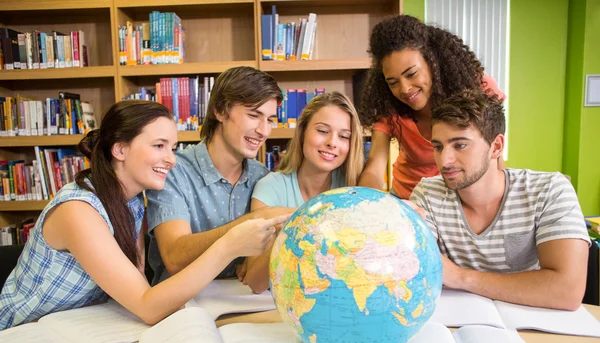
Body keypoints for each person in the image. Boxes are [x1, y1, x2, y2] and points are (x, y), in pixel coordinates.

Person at [0, 100, 288, 330]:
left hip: (79, 328)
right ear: (120, 149)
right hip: (23, 334)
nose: (172, 159)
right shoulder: (78, 210)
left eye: (173, 148)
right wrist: (229, 246)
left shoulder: (134, 201)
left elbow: (137, 286)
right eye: (159, 146)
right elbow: (147, 305)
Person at [410, 89, 589, 311]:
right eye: (438, 147)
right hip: (457, 322)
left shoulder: (549, 190)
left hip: (534, 325)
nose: (444, 160)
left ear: (496, 147)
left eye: (460, 145)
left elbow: (567, 291)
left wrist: (460, 277)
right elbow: (415, 273)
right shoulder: (427, 193)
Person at [146, 66, 293, 284]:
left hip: (239, 302)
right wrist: (251, 222)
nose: (264, 131)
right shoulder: (173, 171)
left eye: (270, 120)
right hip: (183, 305)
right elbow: (174, 257)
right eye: (254, 115)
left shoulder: (263, 177)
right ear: (220, 111)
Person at [359, 15, 505, 199]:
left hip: (464, 197)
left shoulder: (478, 89)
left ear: (433, 62)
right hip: (410, 198)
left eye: (411, 74)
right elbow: (375, 166)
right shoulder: (389, 106)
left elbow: (496, 157)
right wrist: (362, 202)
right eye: (393, 82)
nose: (405, 89)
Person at [241, 92, 365, 293]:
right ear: (303, 132)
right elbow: (256, 282)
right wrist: (297, 227)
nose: (332, 143)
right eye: (323, 131)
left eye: (343, 136)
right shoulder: (270, 188)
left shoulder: (355, 190)